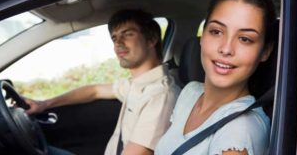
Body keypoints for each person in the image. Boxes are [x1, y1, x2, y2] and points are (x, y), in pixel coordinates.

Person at [24, 9, 181, 155]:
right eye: (114, 38)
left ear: (151, 39)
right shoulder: (136, 84)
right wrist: (44, 105)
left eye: (128, 34)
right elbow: (94, 91)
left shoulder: (160, 95)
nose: (118, 43)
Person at [155, 0, 276, 155]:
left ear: (265, 51)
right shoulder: (190, 92)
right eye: (216, 31)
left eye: (245, 39)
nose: (226, 49)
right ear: (203, 36)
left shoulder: (240, 130)